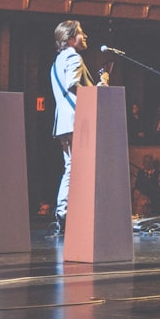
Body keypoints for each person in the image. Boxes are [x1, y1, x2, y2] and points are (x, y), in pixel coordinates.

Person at [49, 20, 107, 235]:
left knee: (71, 166)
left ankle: (64, 211)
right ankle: (65, 212)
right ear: (71, 38)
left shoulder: (57, 61)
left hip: (63, 122)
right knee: (75, 167)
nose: (85, 36)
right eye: (81, 33)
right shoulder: (73, 57)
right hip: (76, 120)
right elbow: (73, 86)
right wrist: (98, 88)